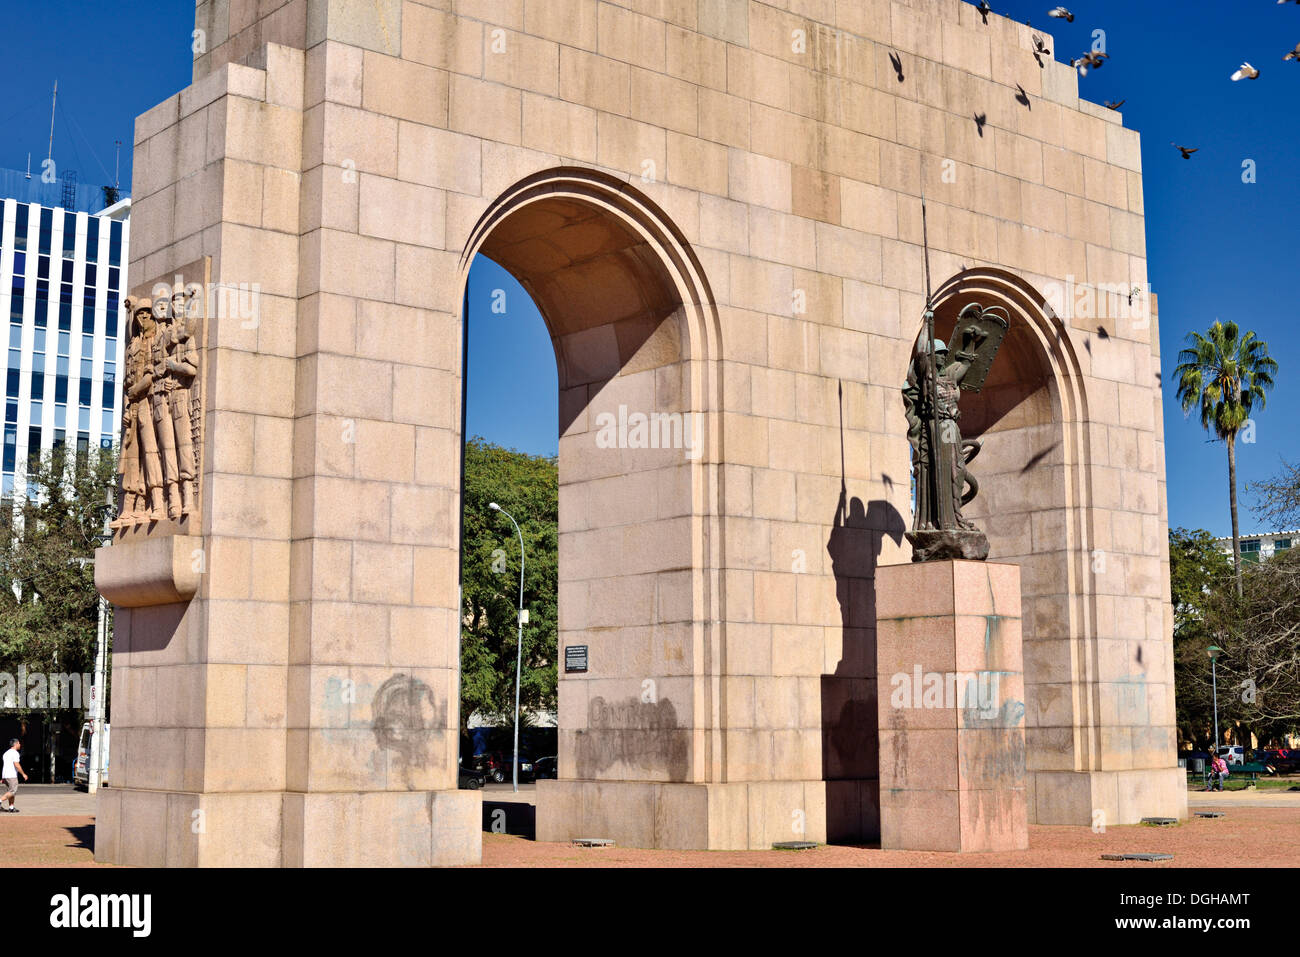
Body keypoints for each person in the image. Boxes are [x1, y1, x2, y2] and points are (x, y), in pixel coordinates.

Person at [1, 739, 27, 812]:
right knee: (12, 791)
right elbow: (17, 765)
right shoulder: (15, 753)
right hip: (11, 775)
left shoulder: (6, 753)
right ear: (15, 744)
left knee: (10, 792)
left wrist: (3, 777)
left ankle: (11, 807)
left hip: (5, 775)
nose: (20, 745)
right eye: (19, 743)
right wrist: (23, 774)